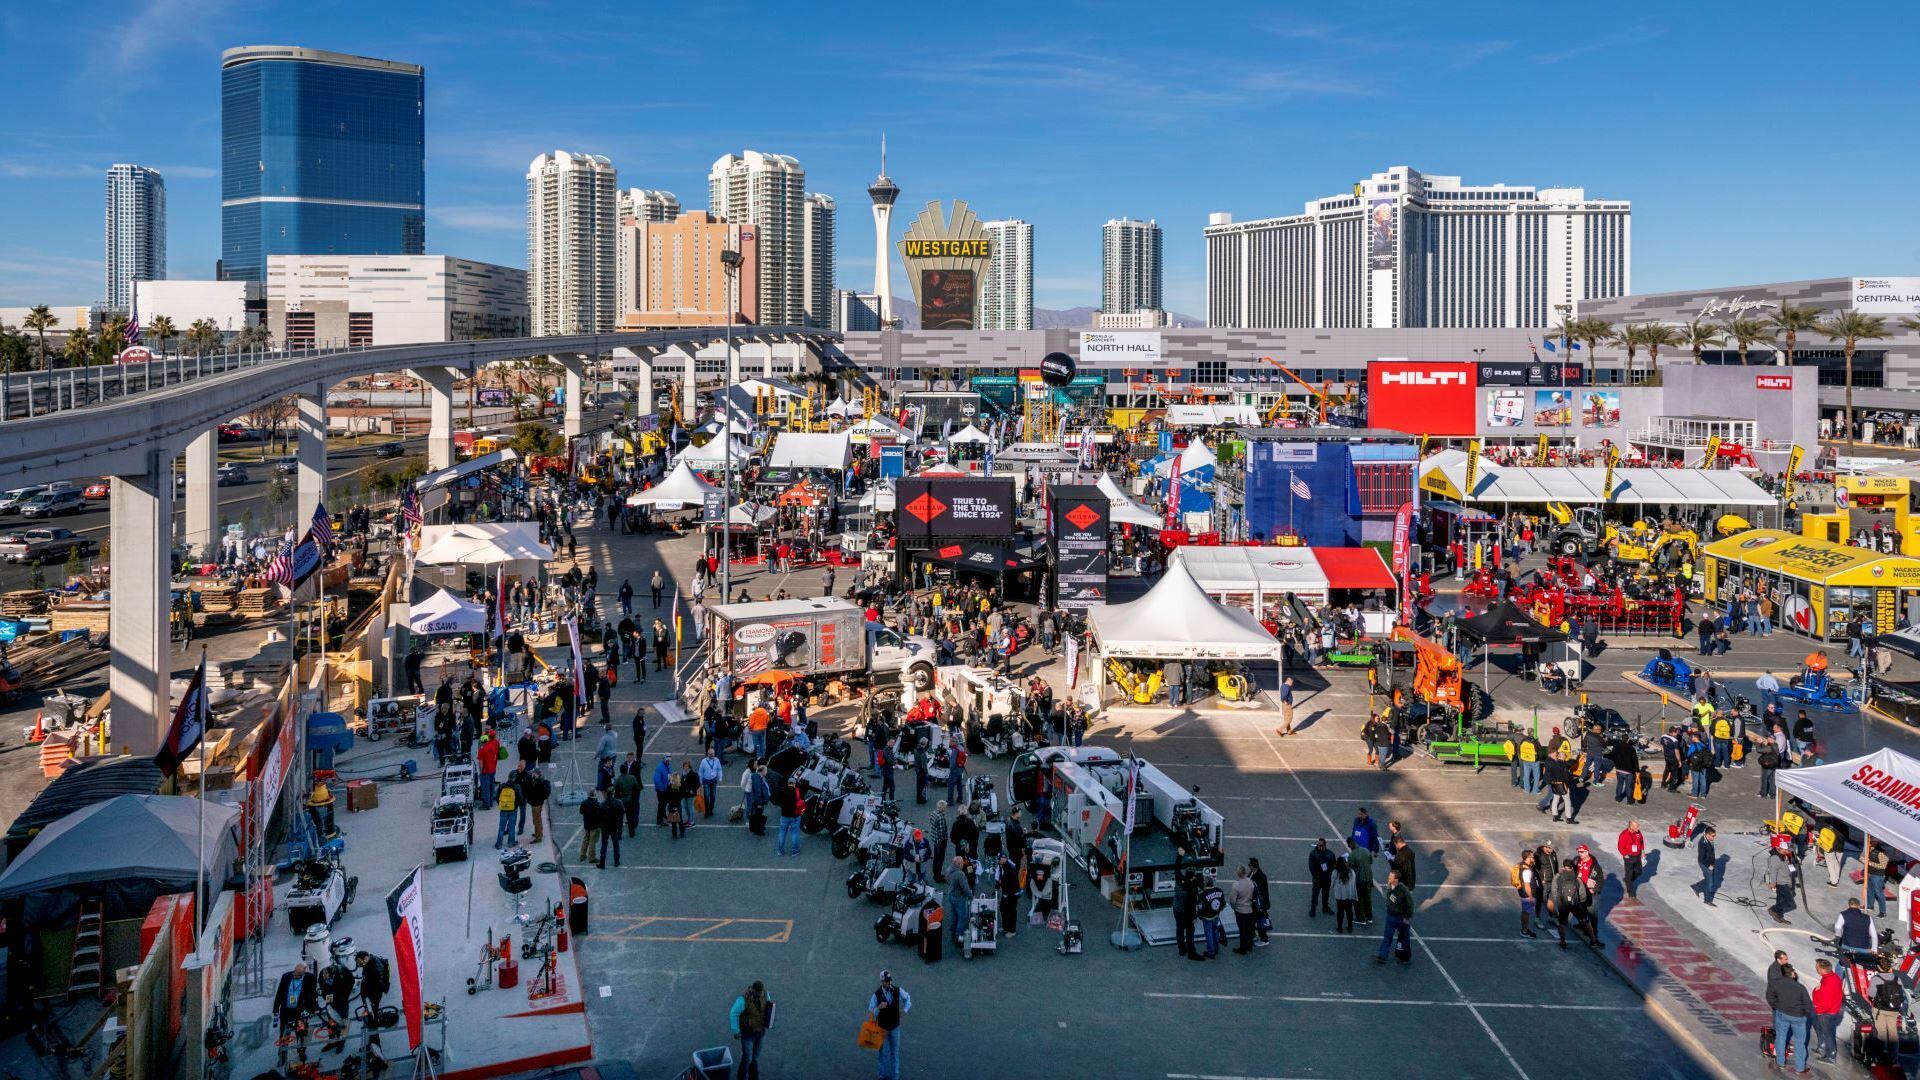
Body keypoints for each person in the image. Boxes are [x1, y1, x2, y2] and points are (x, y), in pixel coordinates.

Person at [1766, 961, 1813, 1074]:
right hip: (1798, 1017)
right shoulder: (1800, 987)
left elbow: (1770, 997)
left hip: (1781, 1014)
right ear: (1791, 973)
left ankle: (1780, 1063)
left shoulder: (1775, 984)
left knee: (1781, 1038)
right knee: (1799, 1042)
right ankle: (1800, 1068)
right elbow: (1808, 1005)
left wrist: (1776, 1006)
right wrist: (1803, 1013)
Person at [729, 980, 772, 1080]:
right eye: (757, 992)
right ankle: (741, 1077)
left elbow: (769, 1005)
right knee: (747, 1057)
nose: (759, 994)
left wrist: (769, 1021)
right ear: (752, 989)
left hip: (760, 1032)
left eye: (760, 992)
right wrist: (736, 1031)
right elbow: (733, 1013)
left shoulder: (765, 993)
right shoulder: (743, 999)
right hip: (747, 1034)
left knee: (755, 1057)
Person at [1373, 869, 1414, 965]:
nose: (1388, 877)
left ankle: (1405, 957)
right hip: (1391, 915)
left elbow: (1410, 905)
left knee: (1404, 938)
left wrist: (1407, 917)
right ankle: (1382, 955)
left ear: (1396, 879)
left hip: (1401, 917)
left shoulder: (1404, 891)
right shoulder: (1390, 886)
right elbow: (1388, 897)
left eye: (1390, 876)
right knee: (1387, 936)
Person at [1811, 958, 1844, 1066]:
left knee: (1829, 1034)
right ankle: (1823, 1048)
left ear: (1822, 969)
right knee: (1826, 1032)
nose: (1816, 968)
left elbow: (1826, 1001)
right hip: (1830, 1010)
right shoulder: (1832, 977)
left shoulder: (1828, 982)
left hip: (1826, 1013)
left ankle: (1831, 1056)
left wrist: (1819, 1011)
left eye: (1817, 967)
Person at [1230, 865, 1258, 954]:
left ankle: (1243, 948)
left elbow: (1232, 900)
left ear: (1238, 874)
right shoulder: (1251, 883)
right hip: (1249, 909)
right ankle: (1249, 946)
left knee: (1242, 930)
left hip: (1240, 910)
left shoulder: (1236, 885)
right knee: (1249, 929)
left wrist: (1233, 906)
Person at [1173, 870, 1201, 960]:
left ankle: (1181, 949)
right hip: (1186, 912)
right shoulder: (1190, 890)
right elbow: (1192, 905)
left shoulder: (1178, 883)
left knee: (1179, 929)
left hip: (1177, 909)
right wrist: (1194, 916)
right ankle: (1191, 951)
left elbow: (1177, 871)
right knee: (1190, 931)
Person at [1348, 839, 1375, 926]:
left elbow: (1349, 868)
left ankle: (1361, 918)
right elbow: (1370, 861)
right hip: (1368, 879)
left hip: (1359, 880)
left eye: (1349, 845)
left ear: (1351, 844)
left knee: (1358, 900)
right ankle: (1369, 917)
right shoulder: (1366, 850)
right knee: (1367, 899)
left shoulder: (1352, 855)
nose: (1349, 847)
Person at [775, 781, 805, 857]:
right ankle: (795, 851)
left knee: (782, 833)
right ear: (794, 784)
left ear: (788, 783)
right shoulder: (798, 791)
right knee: (794, 833)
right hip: (795, 816)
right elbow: (803, 800)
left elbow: (778, 801)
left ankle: (780, 851)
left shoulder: (782, 791)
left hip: (784, 815)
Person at [1307, 839, 1335, 917]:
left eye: (1321, 845)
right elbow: (1311, 866)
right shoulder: (1313, 854)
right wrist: (1315, 875)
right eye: (1318, 845)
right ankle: (1313, 909)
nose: (1319, 847)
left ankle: (1325, 907)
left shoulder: (1330, 854)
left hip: (1326, 878)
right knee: (1315, 894)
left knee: (1326, 894)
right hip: (1318, 879)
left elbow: (1333, 865)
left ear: (1325, 845)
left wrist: (1329, 875)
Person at [1617, 821, 1645, 899]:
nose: (1638, 828)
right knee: (1629, 873)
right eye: (1637, 826)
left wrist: (1642, 851)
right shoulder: (1624, 834)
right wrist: (1625, 855)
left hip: (1637, 856)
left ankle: (1627, 880)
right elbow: (1620, 846)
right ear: (1631, 826)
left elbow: (1641, 842)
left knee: (1639, 872)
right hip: (1629, 857)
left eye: (1638, 826)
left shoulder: (1638, 833)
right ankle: (1631, 892)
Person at [1330, 856, 1357, 934]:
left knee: (1340, 912)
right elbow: (1354, 881)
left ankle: (1340, 927)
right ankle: (1350, 927)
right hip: (1349, 896)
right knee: (1349, 911)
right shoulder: (1351, 872)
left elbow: (1332, 884)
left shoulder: (1335, 873)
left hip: (1340, 896)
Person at [494, 774, 520, 848]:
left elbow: (496, 796)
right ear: (515, 778)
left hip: (503, 810)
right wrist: (515, 806)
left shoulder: (502, 786)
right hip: (512, 810)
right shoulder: (516, 787)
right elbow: (520, 799)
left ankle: (499, 844)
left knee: (501, 827)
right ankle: (511, 843)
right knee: (511, 827)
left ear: (508, 777)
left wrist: (501, 805)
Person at [1696, 826, 1719, 905]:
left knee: (1709, 879)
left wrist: (1713, 863)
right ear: (1707, 834)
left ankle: (1696, 887)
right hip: (1704, 864)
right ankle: (1708, 900)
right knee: (1710, 883)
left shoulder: (1709, 840)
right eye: (1713, 836)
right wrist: (1709, 866)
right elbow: (1702, 858)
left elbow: (1711, 853)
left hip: (1710, 863)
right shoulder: (1703, 843)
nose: (1714, 837)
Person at [699, 748, 723, 819]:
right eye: (710, 754)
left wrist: (720, 778)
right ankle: (707, 811)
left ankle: (711, 809)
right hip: (706, 781)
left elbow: (719, 770)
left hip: (713, 781)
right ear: (707, 754)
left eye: (713, 754)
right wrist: (700, 781)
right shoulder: (703, 761)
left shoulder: (717, 760)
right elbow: (700, 772)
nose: (712, 755)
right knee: (706, 796)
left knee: (713, 796)